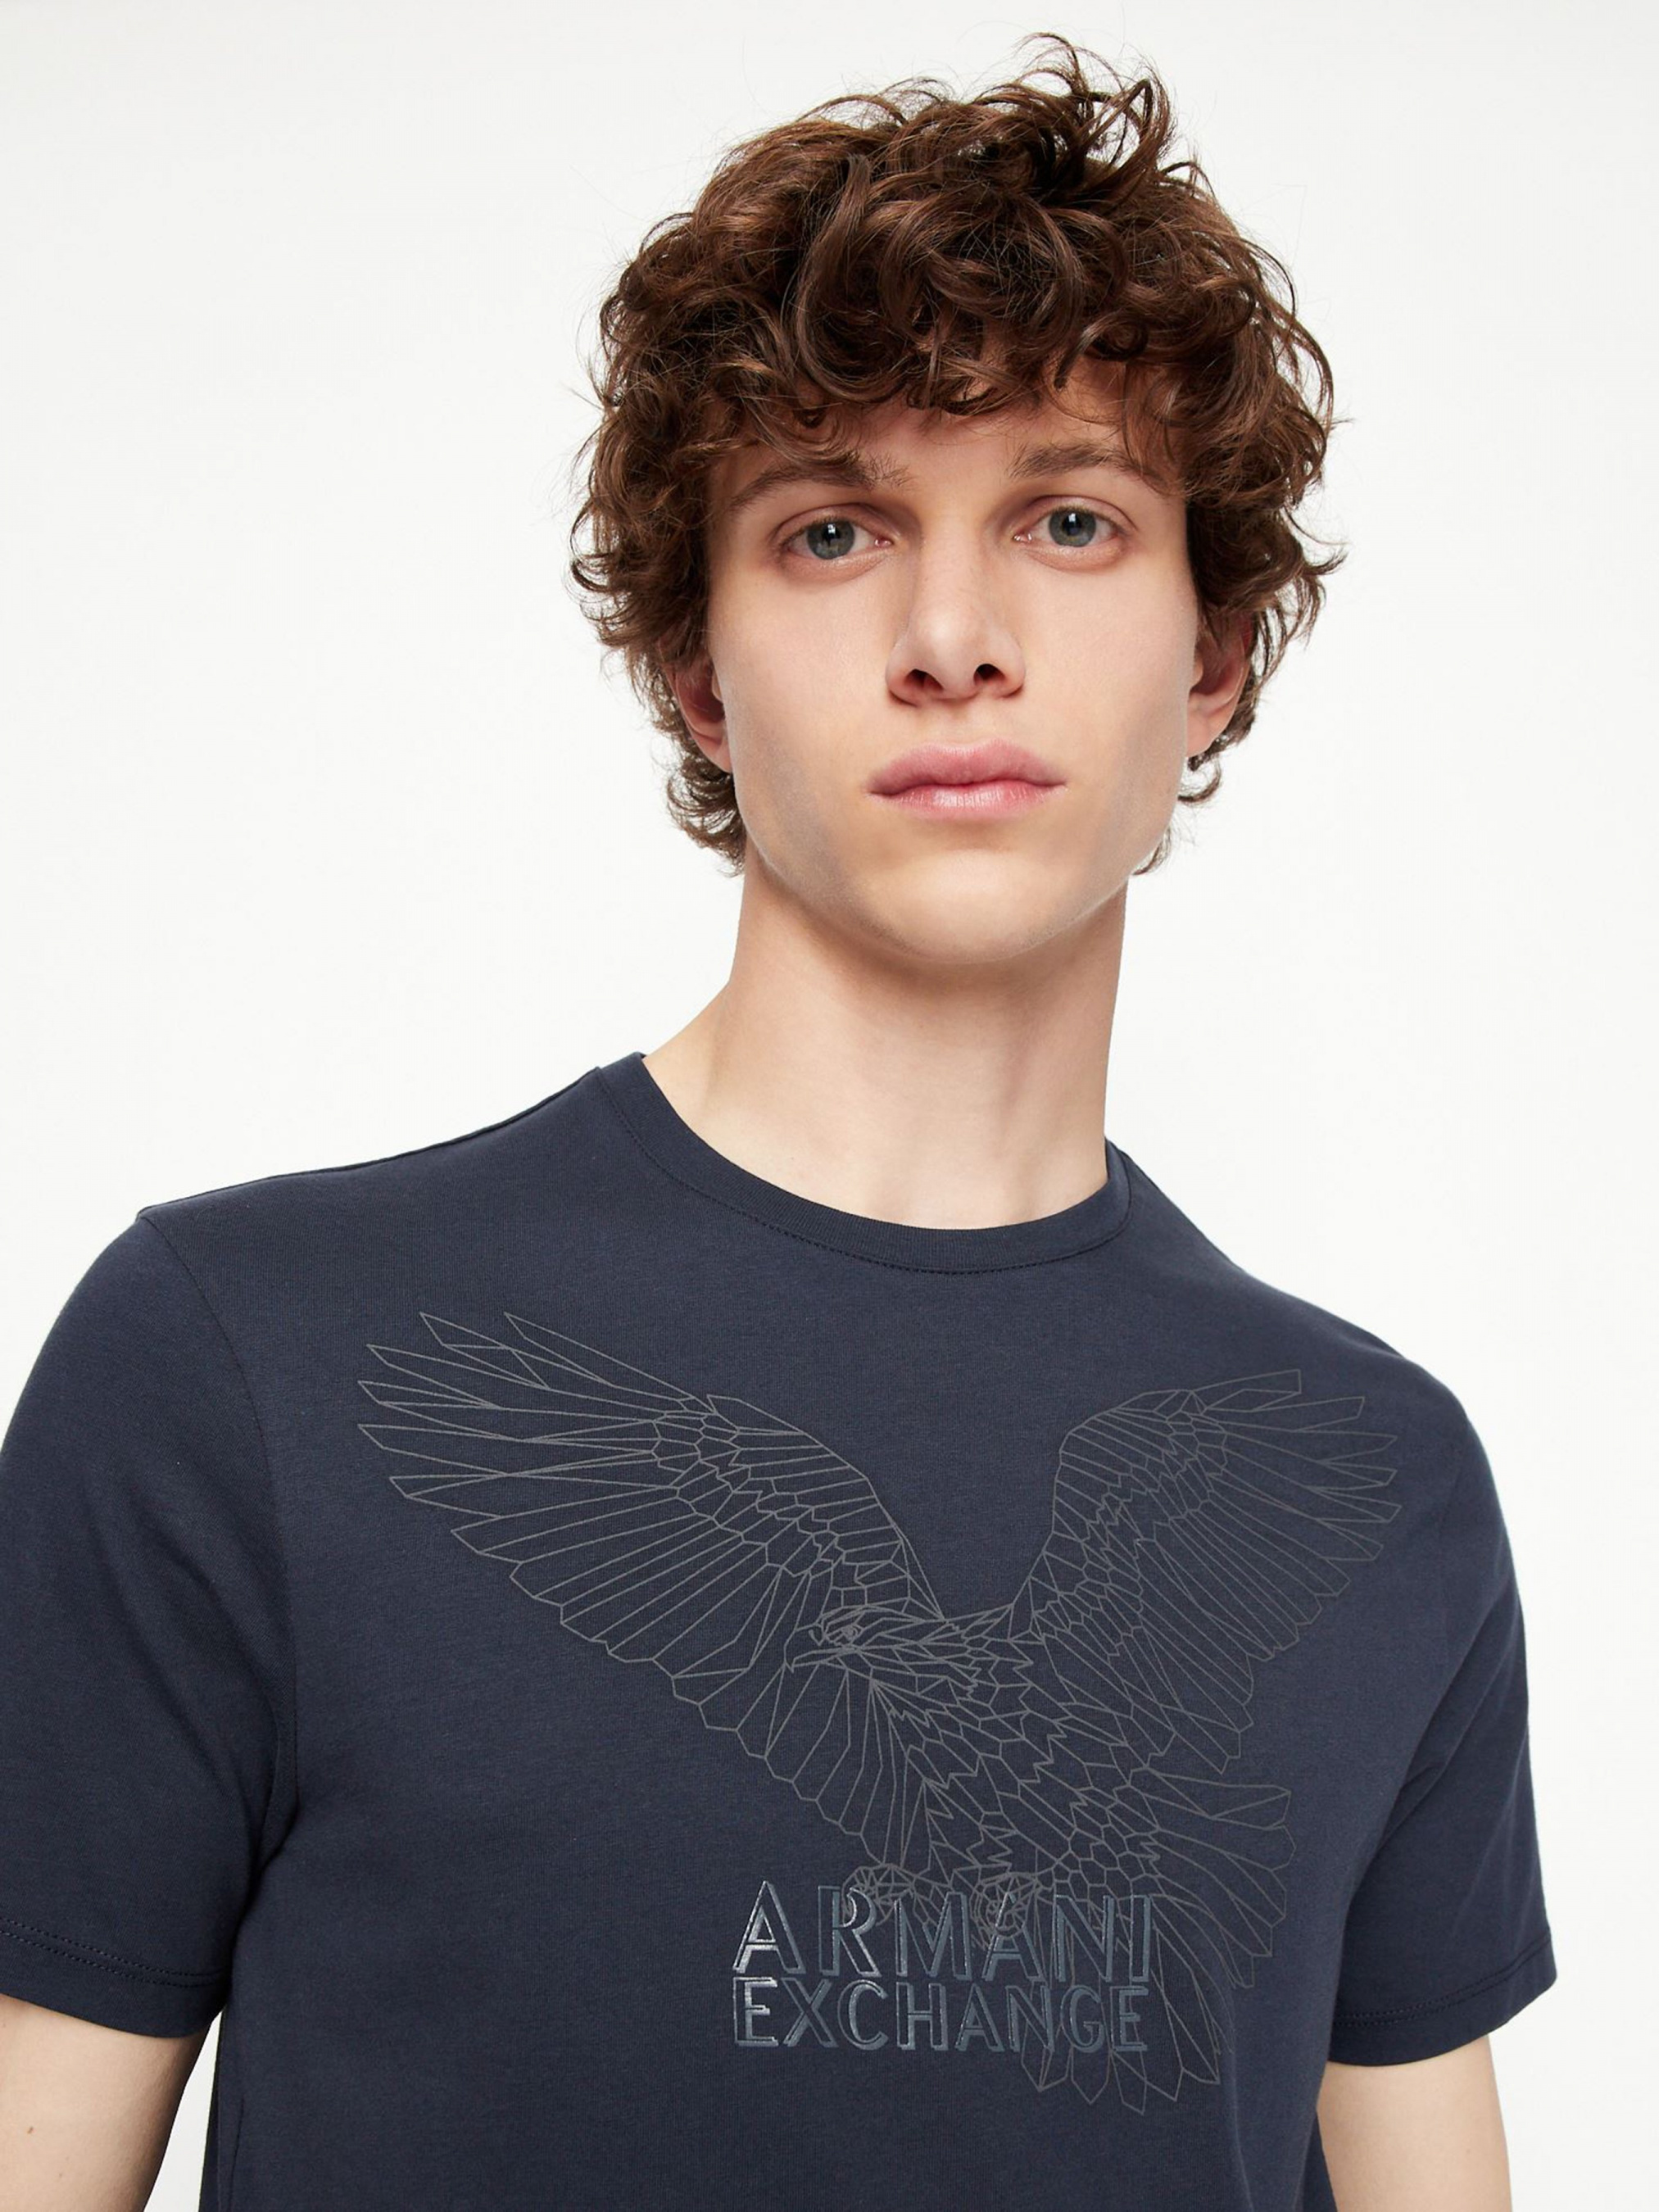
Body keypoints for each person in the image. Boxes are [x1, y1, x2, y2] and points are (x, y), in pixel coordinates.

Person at [0, 35, 1556, 2212]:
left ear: (1210, 654)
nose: (952, 637)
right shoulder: (241, 1363)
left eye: (1070, 519)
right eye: (832, 529)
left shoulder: (1379, 1474)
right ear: (696, 671)